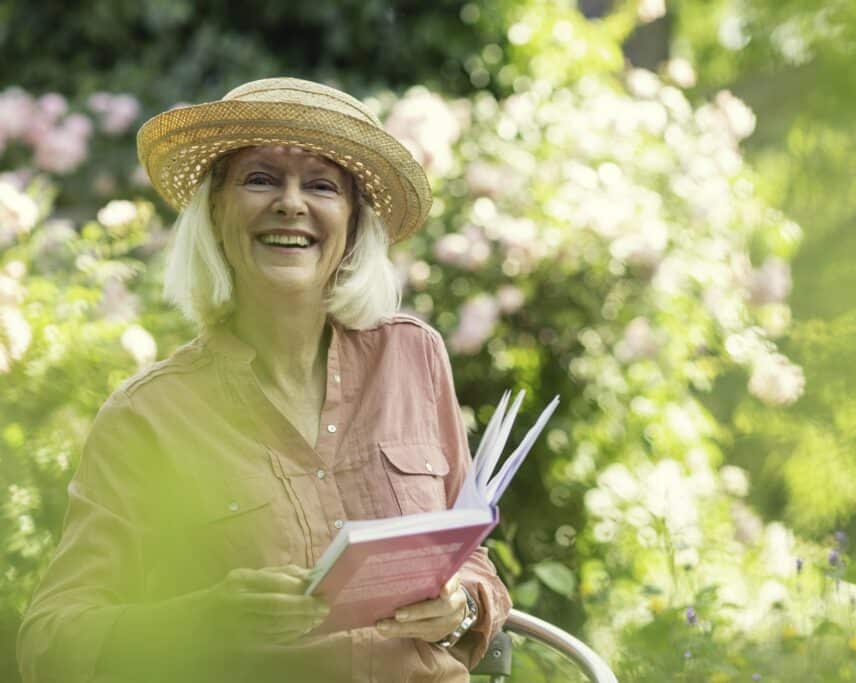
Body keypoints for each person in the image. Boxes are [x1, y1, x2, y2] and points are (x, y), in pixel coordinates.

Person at [16, 77, 512, 683]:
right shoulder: (148, 417)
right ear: (216, 210)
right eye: (260, 179)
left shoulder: (412, 356)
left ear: (353, 223)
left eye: (322, 186)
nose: (291, 203)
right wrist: (203, 620)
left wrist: (460, 605)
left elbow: (471, 560)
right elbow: (49, 641)